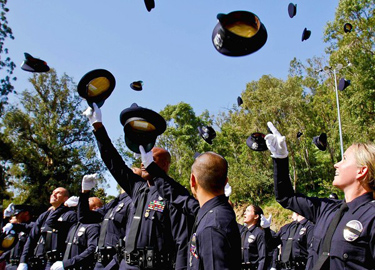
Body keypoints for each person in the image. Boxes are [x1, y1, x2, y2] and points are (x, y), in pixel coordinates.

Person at [83, 103, 191, 270]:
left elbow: (182, 242)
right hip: (125, 265)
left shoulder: (173, 195)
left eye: (150, 158)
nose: (143, 163)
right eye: (143, 158)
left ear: (163, 165)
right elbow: (114, 163)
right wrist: (98, 126)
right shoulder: (138, 189)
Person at [265, 121, 375, 269]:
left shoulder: (371, 217)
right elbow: (286, 197)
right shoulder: (326, 209)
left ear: (361, 171)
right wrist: (280, 159)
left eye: (344, 159)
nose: (336, 164)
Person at [140, 147, 242, 270]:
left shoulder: (212, 226)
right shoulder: (212, 211)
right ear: (226, 182)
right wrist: (153, 169)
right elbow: (179, 196)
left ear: (193, 180)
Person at [78, 174, 133, 270]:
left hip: (116, 262)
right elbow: (84, 217)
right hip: (100, 262)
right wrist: (85, 193)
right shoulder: (115, 203)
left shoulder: (133, 201)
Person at [17, 187, 77, 270]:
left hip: (57, 262)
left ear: (66, 199)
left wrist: (64, 206)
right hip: (40, 261)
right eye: (53, 193)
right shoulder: (44, 215)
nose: (53, 195)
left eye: (58, 193)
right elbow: (32, 238)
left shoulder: (70, 215)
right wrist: (23, 261)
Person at [50, 196, 103, 270]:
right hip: (67, 266)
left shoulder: (94, 227)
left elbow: (92, 250)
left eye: (87, 201)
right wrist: (65, 206)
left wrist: (69, 263)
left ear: (95, 208)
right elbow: (50, 222)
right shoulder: (74, 225)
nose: (82, 203)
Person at [0, 205, 35, 270]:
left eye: (18, 214)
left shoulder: (32, 226)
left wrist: (14, 225)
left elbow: (28, 226)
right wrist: (5, 219)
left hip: (23, 264)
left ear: (26, 213)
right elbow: (3, 239)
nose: (16, 216)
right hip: (9, 264)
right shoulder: (15, 228)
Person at [238, 205, 266, 270]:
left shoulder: (259, 232)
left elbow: (262, 257)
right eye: (245, 211)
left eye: (248, 211)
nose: (244, 213)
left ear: (256, 216)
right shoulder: (243, 231)